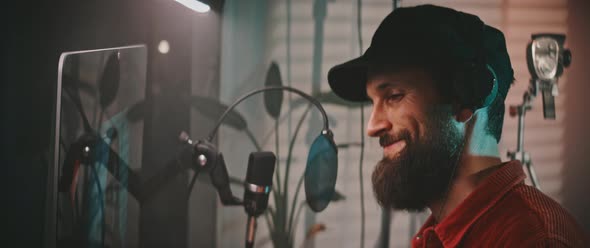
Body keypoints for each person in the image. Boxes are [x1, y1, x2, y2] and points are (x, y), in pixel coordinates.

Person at [327, 4, 588, 247]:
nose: (372, 126)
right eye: (373, 102)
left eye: (394, 96)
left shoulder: (532, 238)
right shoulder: (436, 235)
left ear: (466, 97)